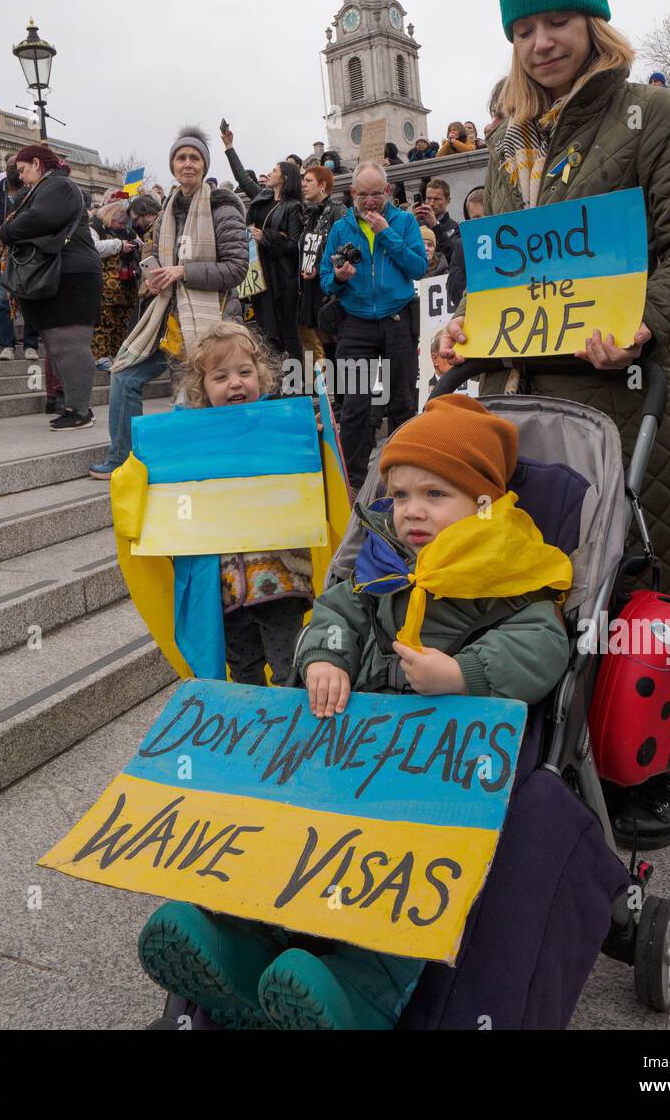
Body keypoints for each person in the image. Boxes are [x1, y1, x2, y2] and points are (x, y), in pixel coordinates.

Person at [136, 393, 571, 1030]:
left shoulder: (507, 569)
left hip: (433, 767)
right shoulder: (382, 560)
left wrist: (460, 673)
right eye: (399, 496)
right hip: (348, 742)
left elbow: (542, 643)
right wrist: (325, 659)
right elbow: (338, 611)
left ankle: (360, 992)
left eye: (434, 495)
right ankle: (231, 941)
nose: (411, 512)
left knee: (400, 882)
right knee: (278, 834)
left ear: (484, 501)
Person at [439, 0, 670, 845]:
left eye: (558, 21)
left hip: (623, 397)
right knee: (550, 592)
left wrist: (645, 323)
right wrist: (462, 338)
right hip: (521, 406)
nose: (541, 42)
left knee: (646, 583)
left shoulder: (652, 114)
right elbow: (502, 280)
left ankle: (665, 762)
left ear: (593, 24)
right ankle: (566, 750)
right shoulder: (507, 142)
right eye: (524, 30)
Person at [89, 126, 247, 478]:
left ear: (204, 164)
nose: (187, 164)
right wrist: (154, 274)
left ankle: (213, 465)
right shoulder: (167, 209)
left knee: (196, 396)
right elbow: (152, 251)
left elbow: (236, 268)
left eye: (194, 158)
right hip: (166, 318)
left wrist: (182, 272)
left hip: (211, 321)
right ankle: (123, 458)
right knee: (124, 375)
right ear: (173, 165)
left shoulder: (222, 207)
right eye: (180, 158)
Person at [183, 322, 314, 685]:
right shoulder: (192, 440)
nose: (236, 383)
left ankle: (295, 731)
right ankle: (252, 732)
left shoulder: (283, 426)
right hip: (225, 586)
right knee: (242, 669)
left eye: (245, 372)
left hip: (281, 580)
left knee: (289, 668)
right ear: (202, 388)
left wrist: (313, 441)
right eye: (220, 376)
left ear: (261, 375)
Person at [319, 161, 426, 492]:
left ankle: (403, 475)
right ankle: (352, 483)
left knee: (403, 403)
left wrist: (386, 233)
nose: (369, 202)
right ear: (352, 193)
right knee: (354, 406)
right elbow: (325, 280)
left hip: (397, 319)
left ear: (388, 192)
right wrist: (338, 278)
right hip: (357, 322)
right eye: (362, 195)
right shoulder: (340, 228)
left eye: (375, 195)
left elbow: (419, 267)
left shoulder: (404, 222)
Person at [0, 145, 101, 429]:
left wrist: (4, 234)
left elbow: (42, 219)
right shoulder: (46, 187)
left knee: (70, 342)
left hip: (71, 273)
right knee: (58, 344)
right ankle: (74, 407)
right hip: (60, 271)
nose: (20, 176)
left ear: (37, 163)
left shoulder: (58, 185)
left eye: (22, 170)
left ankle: (80, 410)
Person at [221, 130, 304, 371]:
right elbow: (243, 179)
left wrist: (266, 237)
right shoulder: (264, 197)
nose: (270, 173)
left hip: (283, 280)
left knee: (288, 332)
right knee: (267, 330)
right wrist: (229, 147)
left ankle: (296, 384)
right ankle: (275, 380)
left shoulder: (294, 207)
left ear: (285, 178)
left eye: (275, 171)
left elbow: (294, 245)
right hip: (262, 276)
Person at [0, 157, 40, 361]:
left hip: (27, 254)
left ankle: (31, 344)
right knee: (2, 301)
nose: (15, 171)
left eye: (19, 167)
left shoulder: (34, 193)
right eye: (12, 166)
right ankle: (6, 345)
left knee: (29, 299)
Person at [297, 163, 344, 367]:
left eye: (308, 181)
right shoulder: (310, 215)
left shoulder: (337, 211)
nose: (303, 185)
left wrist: (319, 267)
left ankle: (343, 393)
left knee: (336, 338)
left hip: (328, 286)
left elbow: (344, 248)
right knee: (323, 341)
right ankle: (335, 391)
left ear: (322, 185)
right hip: (310, 287)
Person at [89, 198, 139, 369]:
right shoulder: (94, 226)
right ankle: (100, 357)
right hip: (105, 285)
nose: (123, 226)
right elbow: (93, 247)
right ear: (111, 217)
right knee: (103, 322)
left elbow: (140, 244)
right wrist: (118, 245)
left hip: (127, 285)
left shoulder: (129, 231)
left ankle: (116, 354)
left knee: (121, 322)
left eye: (126, 222)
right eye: (120, 222)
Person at [445, 187, 486, 312]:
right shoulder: (461, 248)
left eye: (488, 216)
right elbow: (454, 291)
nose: (484, 223)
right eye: (476, 219)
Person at [413, 177, 460, 265]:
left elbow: (453, 257)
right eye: (428, 198)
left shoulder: (456, 227)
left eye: (437, 199)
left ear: (448, 200)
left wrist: (435, 226)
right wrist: (411, 223)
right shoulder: (417, 224)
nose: (431, 203)